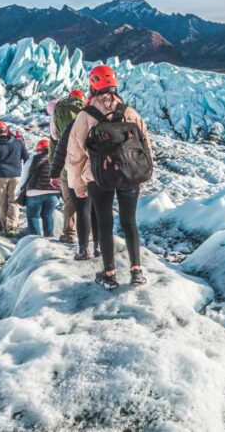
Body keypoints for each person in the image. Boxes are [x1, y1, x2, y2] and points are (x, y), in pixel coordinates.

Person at [66, 65, 152, 288]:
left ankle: (110, 273)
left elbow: (74, 155)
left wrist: (78, 186)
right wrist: (143, 172)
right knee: (129, 221)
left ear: (92, 86)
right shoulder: (129, 112)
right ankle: (136, 271)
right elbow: (145, 144)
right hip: (130, 174)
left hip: (98, 176)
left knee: (104, 223)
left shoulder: (86, 116)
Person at [51, 107, 100, 260]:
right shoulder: (104, 121)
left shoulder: (74, 124)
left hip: (77, 172)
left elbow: (60, 149)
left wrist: (54, 172)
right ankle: (98, 246)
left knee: (82, 209)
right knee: (98, 210)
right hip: (99, 173)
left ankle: (83, 249)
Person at [49, 89, 87, 242]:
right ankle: (90, 234)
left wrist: (54, 169)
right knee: (88, 196)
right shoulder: (87, 112)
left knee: (70, 199)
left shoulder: (57, 114)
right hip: (85, 159)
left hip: (66, 161)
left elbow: (54, 142)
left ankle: (70, 233)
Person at [0, 120, 29, 236]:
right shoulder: (18, 143)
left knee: (1, 203)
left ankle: (5, 227)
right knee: (13, 202)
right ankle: (12, 227)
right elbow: (27, 159)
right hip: (16, 176)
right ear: (6, 130)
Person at [21, 139, 60, 236]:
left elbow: (24, 176)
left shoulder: (32, 159)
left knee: (33, 217)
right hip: (53, 192)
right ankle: (49, 238)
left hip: (34, 192)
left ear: (39, 150)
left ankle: (35, 239)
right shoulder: (57, 160)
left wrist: (19, 191)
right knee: (47, 215)